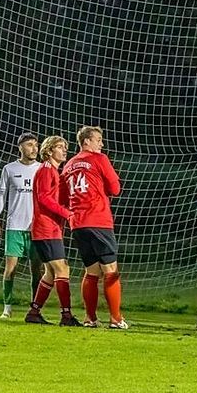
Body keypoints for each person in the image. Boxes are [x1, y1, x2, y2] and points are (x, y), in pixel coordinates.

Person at [61, 126, 125, 329]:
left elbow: (63, 198)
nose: (102, 144)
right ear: (86, 141)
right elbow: (115, 188)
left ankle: (90, 318)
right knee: (111, 270)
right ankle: (116, 319)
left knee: (91, 271)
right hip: (98, 220)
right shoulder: (99, 159)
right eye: (98, 139)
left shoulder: (69, 164)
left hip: (78, 224)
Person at [26, 135, 79, 326]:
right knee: (62, 269)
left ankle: (34, 312)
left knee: (50, 272)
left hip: (50, 229)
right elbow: (44, 198)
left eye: (65, 147)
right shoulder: (47, 170)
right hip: (45, 229)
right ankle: (66, 315)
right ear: (49, 151)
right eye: (59, 147)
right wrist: (67, 213)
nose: (64, 150)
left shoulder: (54, 172)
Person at [0, 132, 43, 318]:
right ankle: (7, 307)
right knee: (10, 269)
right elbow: (1, 196)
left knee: (36, 271)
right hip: (15, 226)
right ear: (20, 147)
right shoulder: (9, 169)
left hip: (36, 228)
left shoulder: (42, 168)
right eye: (29, 145)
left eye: (36, 145)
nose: (34, 148)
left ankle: (35, 308)